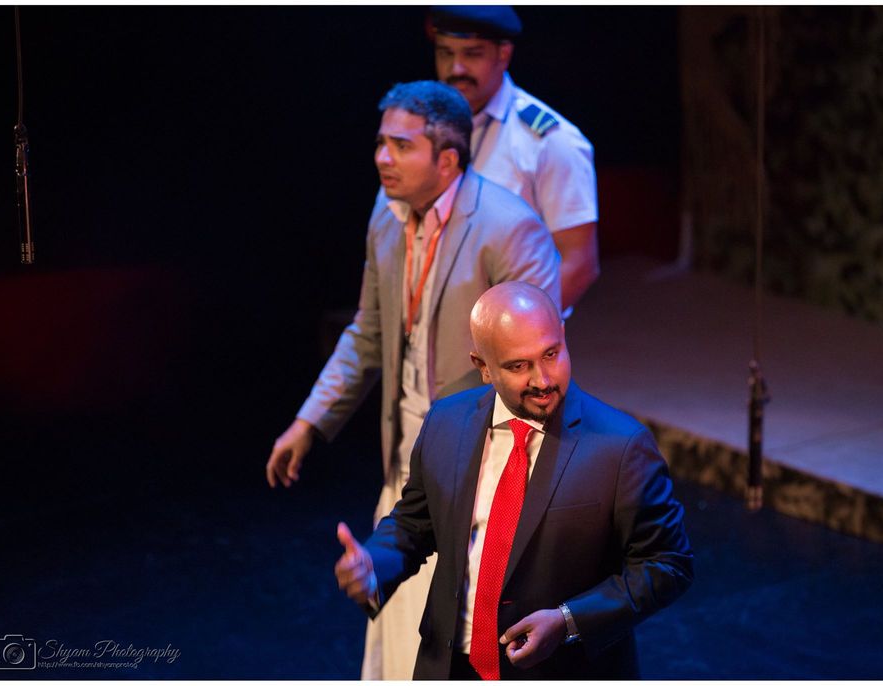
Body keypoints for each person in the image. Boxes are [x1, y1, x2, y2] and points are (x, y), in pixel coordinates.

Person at [266, 82, 562, 680]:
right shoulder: (387, 214)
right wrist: (309, 421)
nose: (383, 158)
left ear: (446, 160)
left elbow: (535, 371)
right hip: (407, 454)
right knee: (398, 640)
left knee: (456, 640)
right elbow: (368, 333)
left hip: (479, 465)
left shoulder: (509, 228)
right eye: (381, 143)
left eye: (401, 146)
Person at [335, 282, 693, 679]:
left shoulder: (621, 447)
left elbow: (667, 564)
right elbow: (414, 523)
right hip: (450, 667)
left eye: (551, 354)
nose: (543, 379)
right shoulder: (445, 422)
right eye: (518, 366)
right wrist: (374, 564)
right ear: (483, 367)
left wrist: (568, 621)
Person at [429, 6, 600, 312]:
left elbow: (580, 264)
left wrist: (516, 334)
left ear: (503, 54)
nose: (456, 68)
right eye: (445, 53)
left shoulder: (549, 141)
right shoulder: (429, 127)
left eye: (472, 54)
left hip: (505, 330)